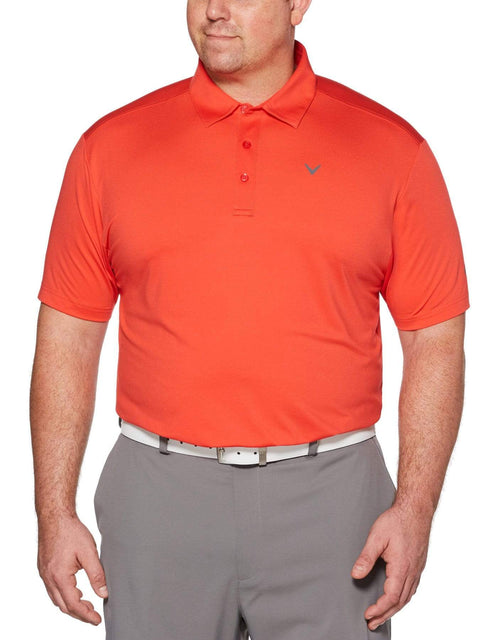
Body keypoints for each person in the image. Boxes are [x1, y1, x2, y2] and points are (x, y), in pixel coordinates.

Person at [30, 1, 469, 638]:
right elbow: (67, 335)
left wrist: (416, 509)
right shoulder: (109, 148)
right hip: (157, 498)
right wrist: (53, 511)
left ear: (298, 4)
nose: (214, 9)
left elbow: (435, 341)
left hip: (334, 503)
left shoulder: (393, 150)